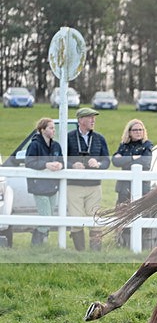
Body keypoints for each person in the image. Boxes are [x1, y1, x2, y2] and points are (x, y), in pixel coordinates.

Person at [67, 107, 110, 251]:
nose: (93, 120)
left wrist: (98, 164)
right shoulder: (69, 137)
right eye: (89, 117)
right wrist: (72, 165)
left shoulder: (99, 138)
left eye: (94, 118)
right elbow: (61, 159)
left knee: (95, 217)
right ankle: (80, 251)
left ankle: (95, 251)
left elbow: (106, 161)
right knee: (76, 218)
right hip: (74, 185)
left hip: (94, 185)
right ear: (80, 120)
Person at [111, 119, 153, 248]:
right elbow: (115, 161)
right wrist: (132, 158)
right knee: (123, 214)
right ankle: (123, 243)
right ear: (129, 132)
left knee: (140, 214)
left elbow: (145, 162)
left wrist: (125, 159)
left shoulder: (147, 145)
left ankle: (140, 244)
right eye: (135, 130)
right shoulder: (123, 145)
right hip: (124, 188)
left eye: (140, 129)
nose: (138, 132)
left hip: (142, 188)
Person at [24, 118, 63, 246]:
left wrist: (60, 165)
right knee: (45, 214)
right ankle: (36, 242)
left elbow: (62, 160)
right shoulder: (34, 145)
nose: (53, 130)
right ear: (42, 130)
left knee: (50, 215)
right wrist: (46, 164)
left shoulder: (56, 145)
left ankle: (42, 242)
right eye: (51, 128)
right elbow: (29, 162)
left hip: (52, 185)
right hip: (39, 186)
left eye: (54, 128)